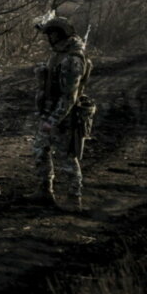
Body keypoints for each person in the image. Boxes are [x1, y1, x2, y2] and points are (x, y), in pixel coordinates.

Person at [28, 16, 94, 211]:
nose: (48, 38)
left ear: (58, 35)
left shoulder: (73, 59)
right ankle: (44, 191)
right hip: (49, 110)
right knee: (40, 150)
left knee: (67, 158)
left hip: (65, 116)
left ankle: (74, 199)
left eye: (51, 34)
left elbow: (69, 97)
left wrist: (53, 120)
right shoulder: (59, 54)